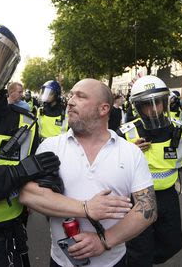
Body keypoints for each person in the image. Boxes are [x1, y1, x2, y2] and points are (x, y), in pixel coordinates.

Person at [0, 23, 131, 267]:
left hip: (6, 247)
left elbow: (37, 183)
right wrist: (15, 173)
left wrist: (55, 181)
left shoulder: (25, 123)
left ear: (4, 71)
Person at [20, 78, 157, 267]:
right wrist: (85, 208)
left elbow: (148, 209)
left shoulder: (130, 152)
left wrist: (104, 240)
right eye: (71, 95)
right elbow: (29, 195)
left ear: (103, 109)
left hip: (114, 262)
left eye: (81, 96)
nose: (70, 101)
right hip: (61, 262)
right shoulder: (50, 147)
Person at [115, 76, 182, 266]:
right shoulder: (125, 134)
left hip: (168, 197)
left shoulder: (180, 132)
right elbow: (106, 166)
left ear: (165, 102)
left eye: (158, 103)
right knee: (140, 253)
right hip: (137, 199)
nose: (154, 109)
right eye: (147, 104)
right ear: (138, 107)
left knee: (173, 244)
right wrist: (129, 152)